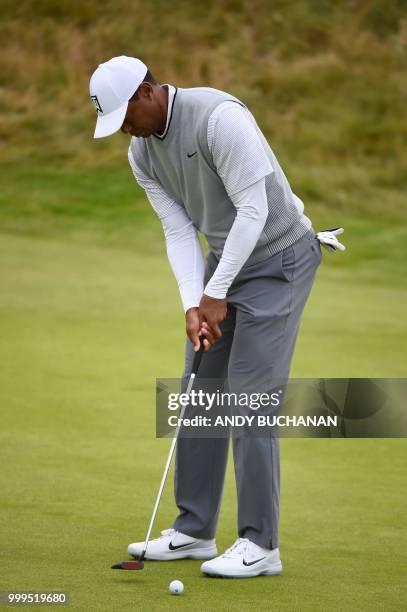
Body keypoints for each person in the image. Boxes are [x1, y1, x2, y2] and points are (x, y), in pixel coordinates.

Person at [89, 55, 345, 578]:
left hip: (280, 257)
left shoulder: (219, 117)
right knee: (201, 388)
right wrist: (193, 301)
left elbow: (254, 211)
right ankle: (194, 531)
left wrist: (217, 292)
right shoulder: (142, 155)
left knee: (250, 398)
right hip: (224, 265)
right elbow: (180, 232)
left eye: (125, 117)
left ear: (146, 91)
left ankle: (261, 544)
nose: (125, 132)